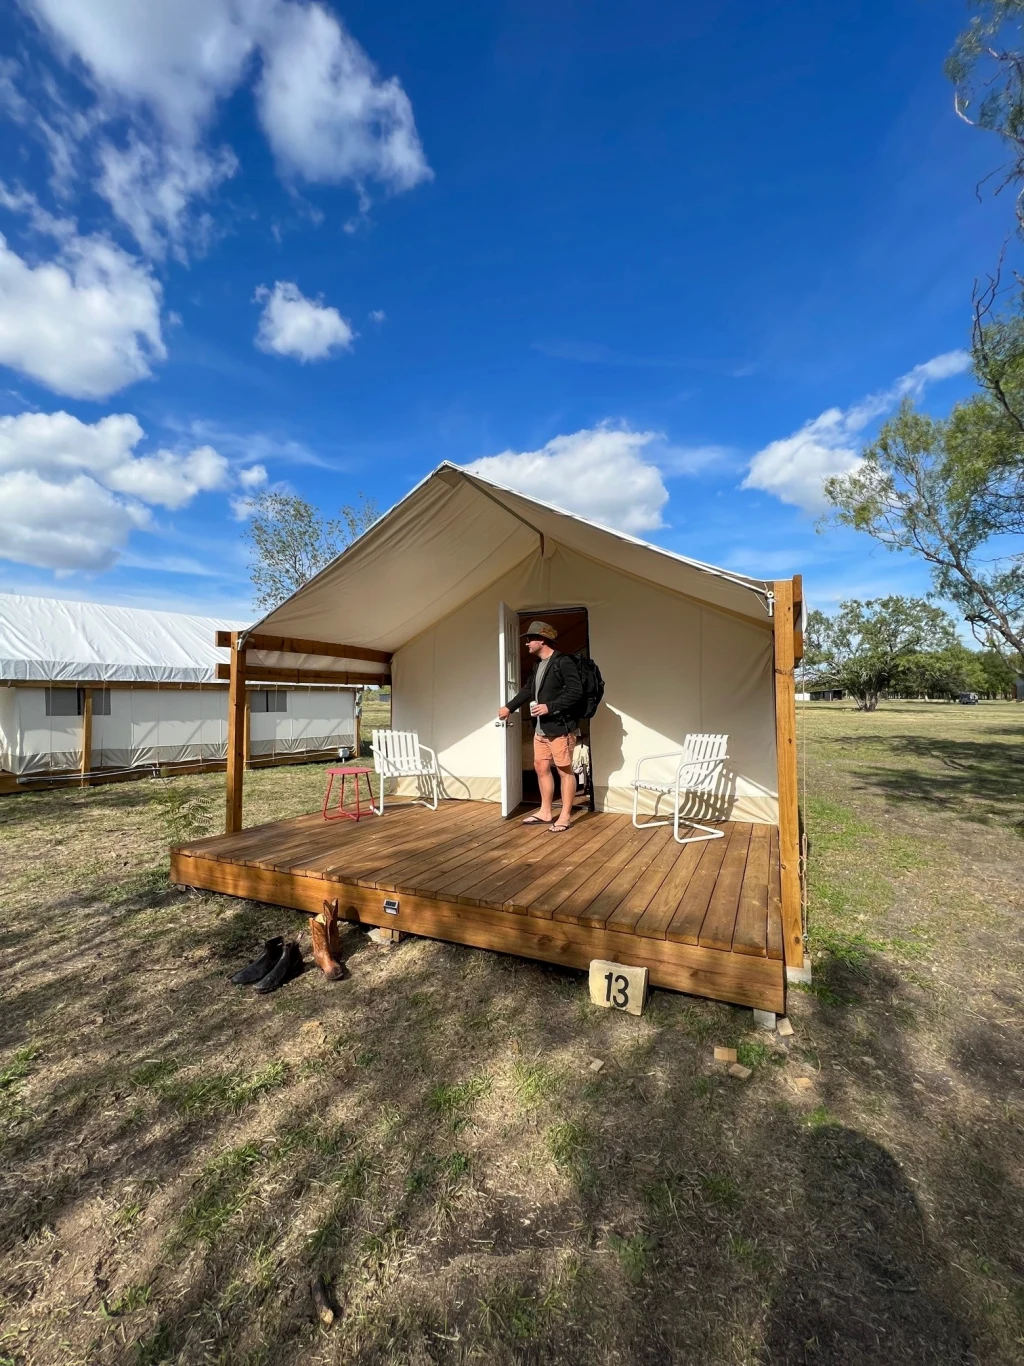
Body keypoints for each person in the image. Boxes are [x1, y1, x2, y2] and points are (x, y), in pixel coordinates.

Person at [498, 620, 583, 832]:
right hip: (541, 729)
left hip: (561, 727)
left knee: (565, 771)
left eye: (529, 639)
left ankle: (565, 816)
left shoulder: (564, 662)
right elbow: (528, 691)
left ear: (542, 640)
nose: (526, 644)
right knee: (541, 767)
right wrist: (509, 707)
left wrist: (550, 707)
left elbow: (576, 692)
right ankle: (545, 812)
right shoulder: (537, 665)